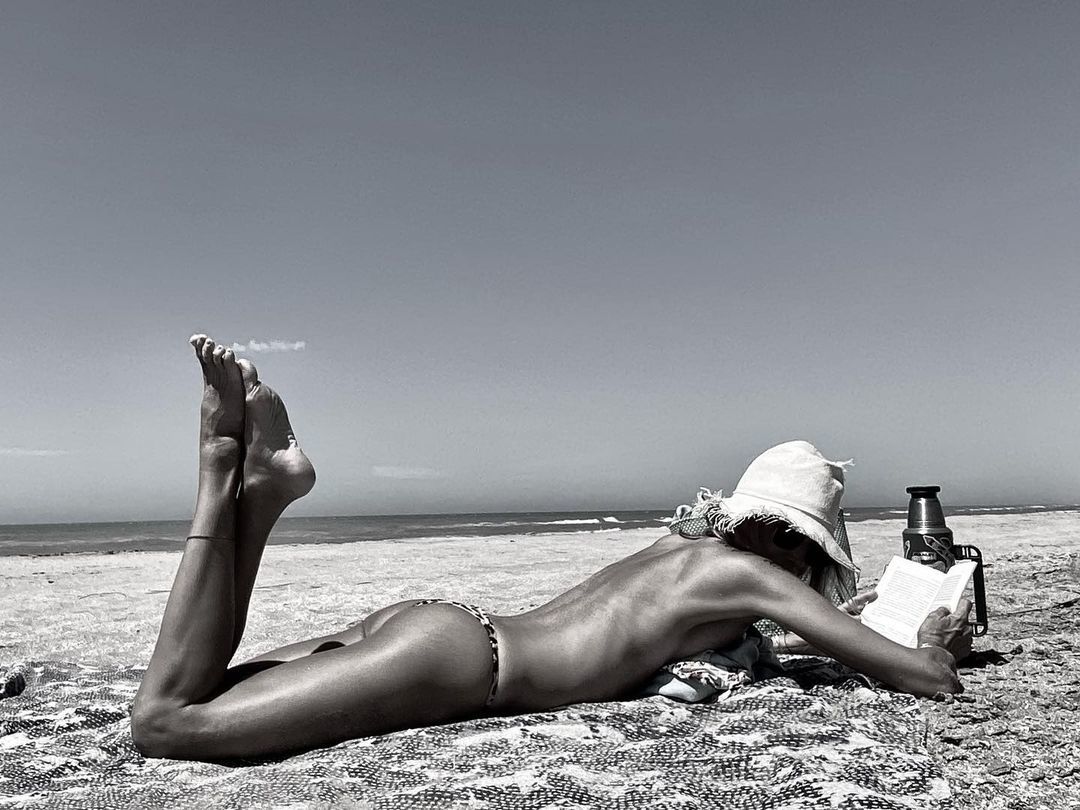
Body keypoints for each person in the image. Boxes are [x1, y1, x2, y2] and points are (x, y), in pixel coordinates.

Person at [131, 335, 972, 762]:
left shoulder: (680, 547)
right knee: (167, 721)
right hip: (463, 664)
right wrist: (935, 641)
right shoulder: (753, 578)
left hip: (437, 626)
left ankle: (262, 497)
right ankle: (221, 474)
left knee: (204, 685)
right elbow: (923, 678)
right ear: (799, 547)